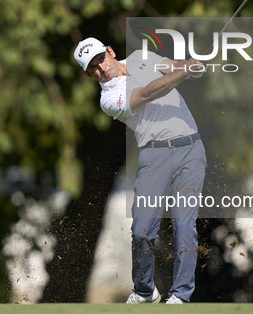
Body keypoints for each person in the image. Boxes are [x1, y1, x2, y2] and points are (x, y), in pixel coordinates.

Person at [74, 37, 207, 304]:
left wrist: (193, 66)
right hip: (154, 154)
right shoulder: (108, 98)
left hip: (191, 148)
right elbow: (148, 93)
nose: (101, 68)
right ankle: (145, 290)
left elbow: (172, 67)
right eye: (93, 68)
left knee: (184, 226)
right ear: (88, 74)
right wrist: (186, 70)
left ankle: (181, 296)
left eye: (101, 59)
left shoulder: (139, 58)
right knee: (142, 231)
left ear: (109, 51)